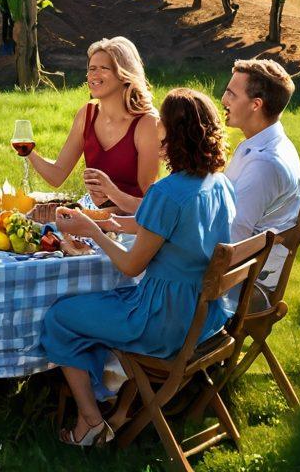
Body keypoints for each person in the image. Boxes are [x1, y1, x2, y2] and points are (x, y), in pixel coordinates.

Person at [40, 88, 235, 448]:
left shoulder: (167, 193)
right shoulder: (219, 184)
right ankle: (110, 393)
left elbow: (131, 265)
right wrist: (109, 223)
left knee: (59, 317)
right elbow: (163, 227)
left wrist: (92, 232)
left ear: (173, 135)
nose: (156, 130)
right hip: (205, 317)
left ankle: (91, 420)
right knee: (95, 303)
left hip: (162, 323)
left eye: (162, 124)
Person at [25, 37, 160, 211]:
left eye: (104, 68)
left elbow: (149, 203)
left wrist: (110, 197)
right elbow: (57, 175)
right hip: (93, 213)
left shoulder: (146, 123)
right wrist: (28, 151)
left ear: (124, 74)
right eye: (91, 69)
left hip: (131, 220)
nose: (94, 75)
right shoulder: (87, 114)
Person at [221, 57, 300, 294]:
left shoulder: (265, 163)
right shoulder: (259, 145)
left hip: (246, 283)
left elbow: (233, 237)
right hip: (238, 266)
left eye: (231, 94)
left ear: (256, 104)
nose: (224, 100)